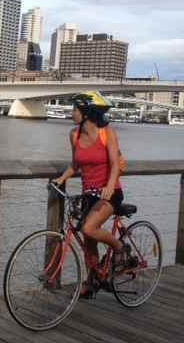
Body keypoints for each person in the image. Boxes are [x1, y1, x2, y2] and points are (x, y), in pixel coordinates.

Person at [53, 91, 128, 296]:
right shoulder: (74, 135)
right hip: (89, 193)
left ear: (86, 113)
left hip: (110, 193)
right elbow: (76, 164)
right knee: (89, 240)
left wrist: (110, 186)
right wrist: (62, 178)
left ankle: (121, 247)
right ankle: (92, 280)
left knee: (88, 228)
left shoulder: (106, 133)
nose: (72, 113)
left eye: (75, 109)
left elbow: (115, 164)